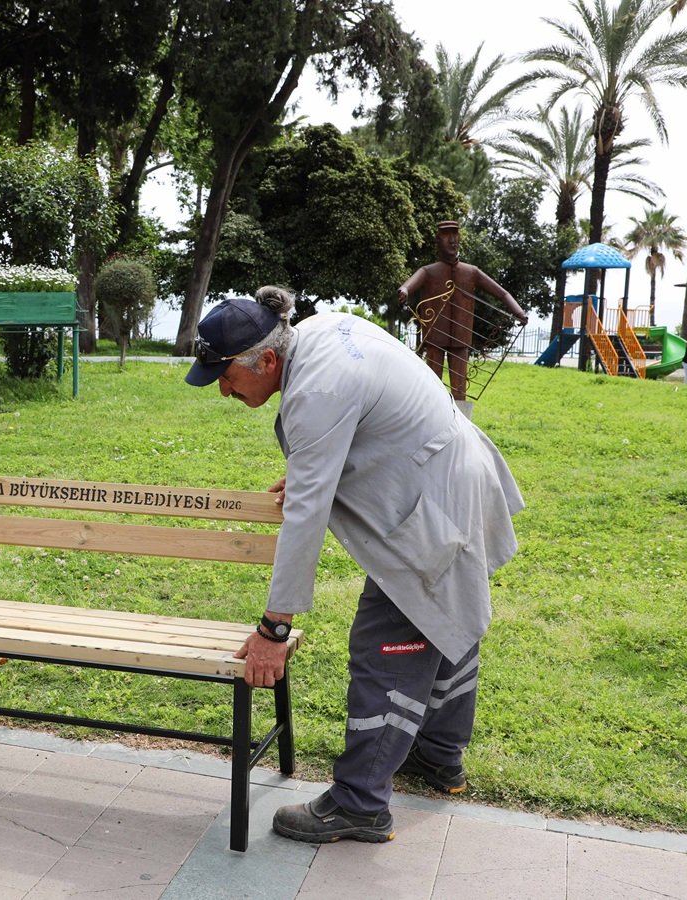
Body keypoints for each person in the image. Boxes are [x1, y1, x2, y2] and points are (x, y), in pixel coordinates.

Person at [185, 286, 523, 844]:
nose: (223, 389)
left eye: (225, 376)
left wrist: (274, 630)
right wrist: (313, 465)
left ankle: (360, 803)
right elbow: (367, 413)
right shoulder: (319, 331)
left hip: (432, 503)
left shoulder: (315, 389)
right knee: (445, 618)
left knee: (386, 643)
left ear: (266, 360)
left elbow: (305, 518)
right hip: (453, 474)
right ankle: (439, 756)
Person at [397, 220, 528, 402]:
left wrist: (519, 312)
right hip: (435, 338)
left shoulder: (471, 272)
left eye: (455, 235)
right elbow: (408, 286)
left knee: (460, 392)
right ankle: (432, 414)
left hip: (460, 339)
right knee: (432, 388)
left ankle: (460, 417)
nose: (452, 240)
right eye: (446, 235)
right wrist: (404, 291)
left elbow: (502, 293)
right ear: (438, 239)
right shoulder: (428, 271)